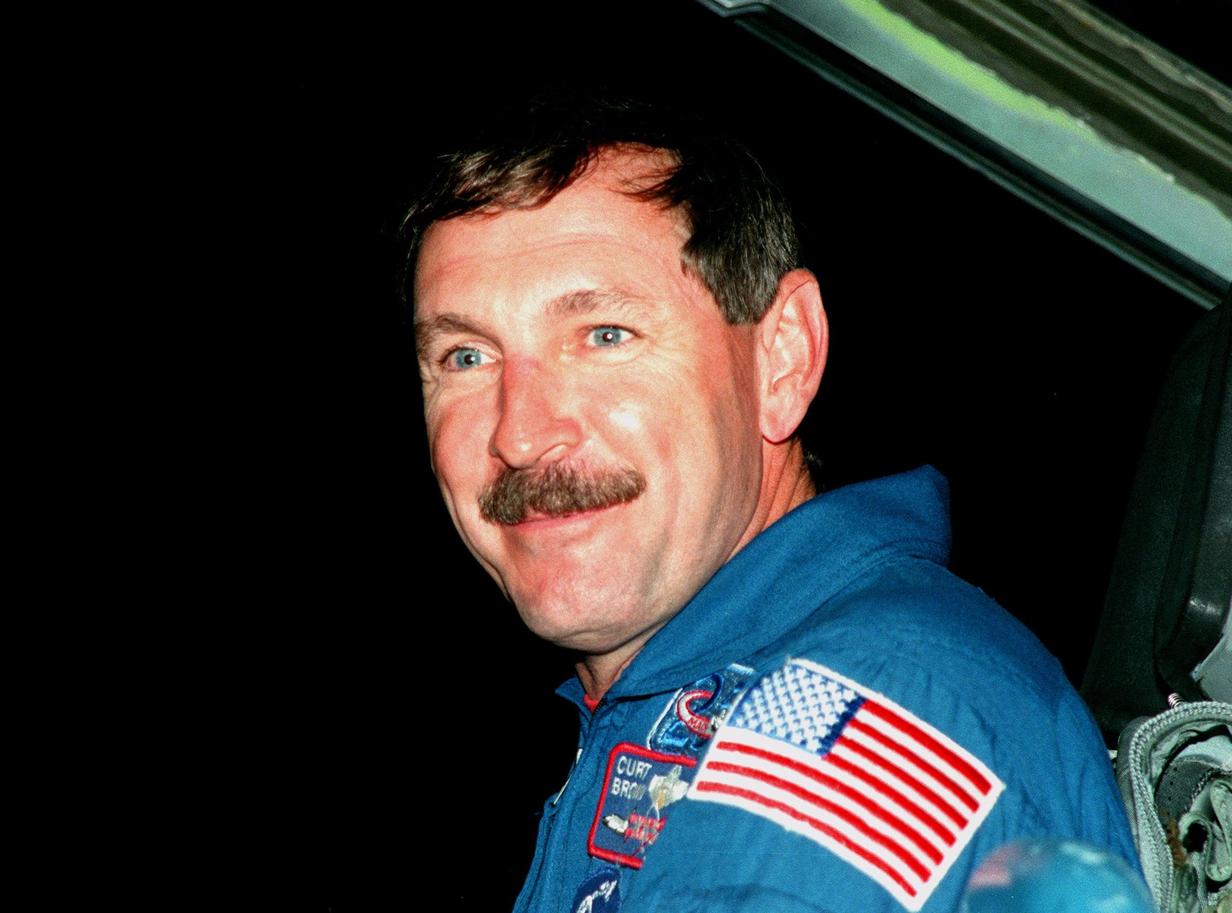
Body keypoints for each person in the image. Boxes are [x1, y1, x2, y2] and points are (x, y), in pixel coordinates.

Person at [402, 95, 1139, 913]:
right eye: (465, 355)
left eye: (605, 334)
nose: (521, 433)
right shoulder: (693, 705)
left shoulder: (860, 706)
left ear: (782, 360)